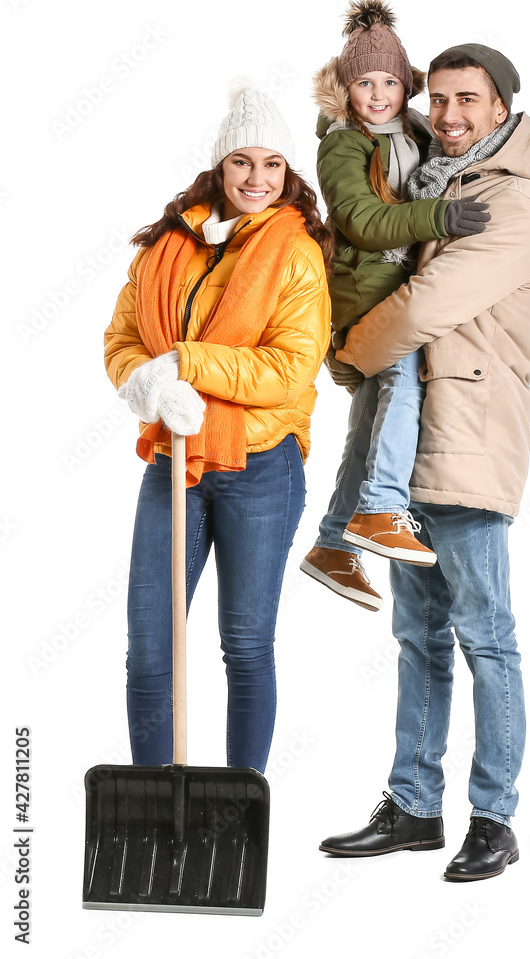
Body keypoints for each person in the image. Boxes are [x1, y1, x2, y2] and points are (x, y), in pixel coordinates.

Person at [319, 44, 530, 880]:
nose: (450, 114)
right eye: (440, 99)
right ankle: (412, 806)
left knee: (484, 639)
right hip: (414, 434)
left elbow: (427, 302)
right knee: (415, 637)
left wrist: (350, 351)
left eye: (467, 99)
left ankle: (492, 820)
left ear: (502, 106)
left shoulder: (516, 203)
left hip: (467, 437)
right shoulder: (444, 179)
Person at [104, 83, 332, 774]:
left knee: (244, 642)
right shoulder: (168, 245)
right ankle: (150, 797)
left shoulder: (296, 255)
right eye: (242, 163)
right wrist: (146, 382)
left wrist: (186, 364)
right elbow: (120, 339)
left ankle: (238, 801)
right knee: (150, 643)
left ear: (288, 172)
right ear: (219, 165)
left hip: (258, 468)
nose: (256, 179)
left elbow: (288, 370)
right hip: (171, 458)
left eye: (271, 164)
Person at [300, 0, 489, 611]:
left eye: (388, 80)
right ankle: (381, 508)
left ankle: (333, 545)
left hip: (399, 287)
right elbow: (359, 219)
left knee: (369, 425)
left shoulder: (412, 130)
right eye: (363, 82)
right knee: (403, 387)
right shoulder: (344, 145)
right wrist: (438, 217)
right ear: (346, 88)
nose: (377, 94)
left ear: (403, 82)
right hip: (364, 295)